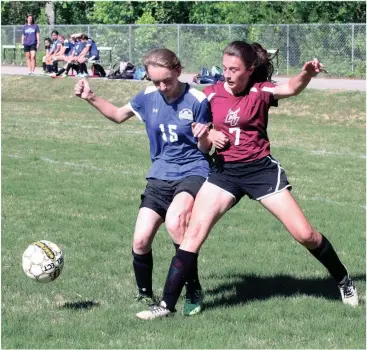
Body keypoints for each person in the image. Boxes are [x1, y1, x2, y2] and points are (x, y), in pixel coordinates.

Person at [136, 41, 359, 320]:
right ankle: (166, 306)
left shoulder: (260, 91)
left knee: (305, 235)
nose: (226, 74)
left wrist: (307, 74)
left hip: (260, 172)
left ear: (250, 70)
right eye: (225, 67)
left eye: (234, 69)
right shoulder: (211, 94)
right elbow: (202, 136)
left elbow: (290, 88)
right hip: (225, 172)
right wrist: (208, 135)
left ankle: (343, 280)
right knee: (191, 235)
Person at [74, 48, 212, 316]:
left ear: (178, 71)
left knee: (176, 223)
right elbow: (117, 115)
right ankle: (144, 295)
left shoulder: (197, 99)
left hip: (192, 171)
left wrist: (202, 135)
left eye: (167, 81)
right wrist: (90, 97)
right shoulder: (148, 97)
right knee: (140, 240)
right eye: (155, 81)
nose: (162, 87)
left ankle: (193, 288)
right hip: (159, 174)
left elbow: (205, 149)